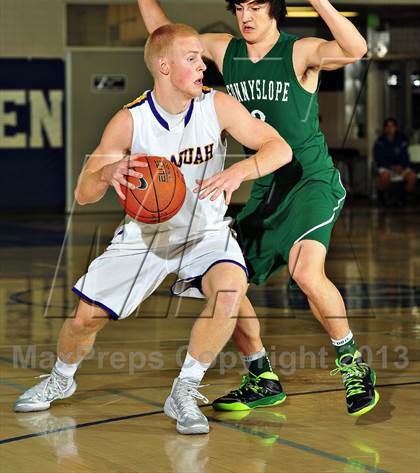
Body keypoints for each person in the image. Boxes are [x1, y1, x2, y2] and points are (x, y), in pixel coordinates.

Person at [123, 0, 379, 416]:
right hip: (264, 183)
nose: (245, 15)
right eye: (240, 6)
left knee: (306, 271)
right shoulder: (225, 50)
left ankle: (352, 364)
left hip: (310, 181)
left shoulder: (299, 52)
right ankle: (260, 375)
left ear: (274, 10)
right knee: (226, 280)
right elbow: (169, 40)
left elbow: (357, 47)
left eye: (256, 6)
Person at [13, 23, 292, 436]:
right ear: (164, 66)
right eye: (192, 58)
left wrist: (241, 170)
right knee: (84, 320)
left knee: (231, 291)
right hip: (148, 236)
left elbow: (279, 148)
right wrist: (107, 171)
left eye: (202, 58)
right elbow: (83, 193)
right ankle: (61, 376)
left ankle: (184, 389)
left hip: (206, 233)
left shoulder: (218, 105)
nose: (203, 66)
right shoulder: (130, 121)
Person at [374, 117, 416, 204]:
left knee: (412, 176)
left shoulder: (401, 140)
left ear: (396, 128)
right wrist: (391, 167)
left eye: (392, 126)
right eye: (388, 126)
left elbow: (406, 157)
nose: (390, 129)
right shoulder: (379, 142)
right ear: (385, 128)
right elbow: (378, 159)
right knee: (384, 176)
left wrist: (401, 167)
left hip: (401, 167)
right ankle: (384, 197)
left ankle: (404, 197)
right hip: (386, 167)